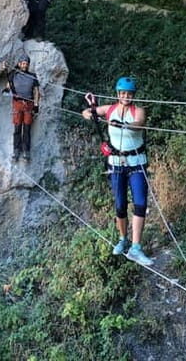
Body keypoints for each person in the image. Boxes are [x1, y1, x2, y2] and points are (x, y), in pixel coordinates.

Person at [81, 77, 153, 266]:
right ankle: (123, 239)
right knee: (120, 204)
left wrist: (125, 125)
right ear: (118, 94)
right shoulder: (110, 109)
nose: (126, 96)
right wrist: (89, 114)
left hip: (136, 162)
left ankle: (136, 248)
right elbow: (87, 111)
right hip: (116, 163)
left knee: (140, 203)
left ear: (133, 95)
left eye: (129, 94)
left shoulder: (138, 111)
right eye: (123, 93)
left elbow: (139, 123)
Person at [3, 53, 40, 161]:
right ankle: (16, 151)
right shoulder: (13, 75)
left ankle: (26, 151)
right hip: (17, 104)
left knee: (27, 128)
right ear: (19, 64)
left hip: (29, 105)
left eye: (26, 63)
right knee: (17, 128)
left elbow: (36, 91)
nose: (25, 65)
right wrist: (7, 89)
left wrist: (36, 105)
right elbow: (8, 86)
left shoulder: (32, 76)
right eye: (23, 63)